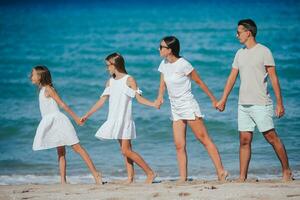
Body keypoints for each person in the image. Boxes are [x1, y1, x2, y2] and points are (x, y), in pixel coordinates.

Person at [216, 19, 293, 182]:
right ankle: (243, 177)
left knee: (271, 137)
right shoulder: (239, 53)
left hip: (261, 103)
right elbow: (232, 78)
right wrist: (223, 99)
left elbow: (274, 78)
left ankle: (287, 170)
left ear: (248, 32)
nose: (236, 35)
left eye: (239, 32)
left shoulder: (264, 51)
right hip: (243, 104)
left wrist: (280, 103)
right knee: (244, 140)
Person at [155, 36, 227, 182]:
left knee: (204, 139)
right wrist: (160, 97)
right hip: (175, 108)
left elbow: (199, 82)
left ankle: (221, 171)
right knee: (179, 145)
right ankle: (183, 178)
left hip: (188, 105)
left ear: (170, 50)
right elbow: (162, 82)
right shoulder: (164, 63)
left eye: (161, 47)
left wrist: (214, 100)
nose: (159, 49)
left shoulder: (184, 64)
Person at [81, 52, 157, 184]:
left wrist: (153, 104)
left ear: (115, 65)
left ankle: (150, 173)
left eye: (108, 65)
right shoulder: (110, 82)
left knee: (126, 150)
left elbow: (139, 99)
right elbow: (101, 101)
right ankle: (130, 178)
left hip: (125, 119)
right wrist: (87, 115)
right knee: (126, 151)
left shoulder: (129, 79)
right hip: (115, 120)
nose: (107, 68)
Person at [30, 65, 102, 184]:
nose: (31, 77)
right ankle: (63, 181)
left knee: (77, 148)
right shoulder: (43, 90)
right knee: (61, 152)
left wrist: (76, 119)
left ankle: (95, 173)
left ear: (40, 76)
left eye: (33, 74)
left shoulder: (48, 89)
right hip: (52, 123)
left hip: (59, 122)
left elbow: (62, 105)